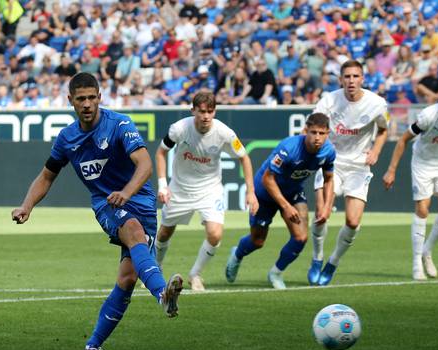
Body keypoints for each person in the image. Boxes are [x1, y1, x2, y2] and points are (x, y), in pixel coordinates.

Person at [11, 72, 183, 350]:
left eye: (92, 97)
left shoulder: (119, 124)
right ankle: (162, 295)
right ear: (71, 101)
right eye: (81, 99)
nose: (87, 104)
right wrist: (27, 205)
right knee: (132, 229)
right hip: (107, 206)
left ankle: (91, 348)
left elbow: (144, 164)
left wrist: (127, 193)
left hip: (138, 201)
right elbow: (46, 175)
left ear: (100, 97)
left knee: (127, 279)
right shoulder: (67, 139)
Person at [155, 91, 258, 291]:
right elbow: (161, 152)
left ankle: (195, 274)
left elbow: (244, 157)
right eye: (201, 111)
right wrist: (162, 185)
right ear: (193, 110)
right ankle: (155, 268)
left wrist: (250, 191)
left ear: (215, 111)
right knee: (165, 232)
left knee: (215, 234)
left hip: (210, 189)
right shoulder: (179, 129)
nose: (206, 116)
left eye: (210, 111)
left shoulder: (225, 133)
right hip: (180, 188)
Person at [225, 113, 336, 289]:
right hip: (265, 193)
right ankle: (237, 254)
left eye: (322, 133)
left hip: (293, 192)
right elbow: (268, 179)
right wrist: (286, 207)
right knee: (257, 242)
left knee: (301, 237)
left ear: (328, 133)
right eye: (313, 132)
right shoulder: (289, 147)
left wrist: (327, 207)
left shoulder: (328, 151)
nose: (317, 138)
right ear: (305, 130)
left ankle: (275, 273)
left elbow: (329, 179)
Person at [382, 82, 438, 280]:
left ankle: (427, 251)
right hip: (422, 163)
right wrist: (391, 170)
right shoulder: (429, 115)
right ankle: (416, 263)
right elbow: (403, 140)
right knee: (423, 209)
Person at [308, 60, 388, 286]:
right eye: (347, 77)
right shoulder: (329, 100)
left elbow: (383, 130)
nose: (351, 81)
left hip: (358, 166)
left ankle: (332, 262)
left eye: (355, 77)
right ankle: (317, 258)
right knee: (321, 214)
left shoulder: (376, 104)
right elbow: (313, 125)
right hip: (330, 163)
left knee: (353, 222)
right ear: (340, 79)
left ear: (362, 79)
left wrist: (376, 150)